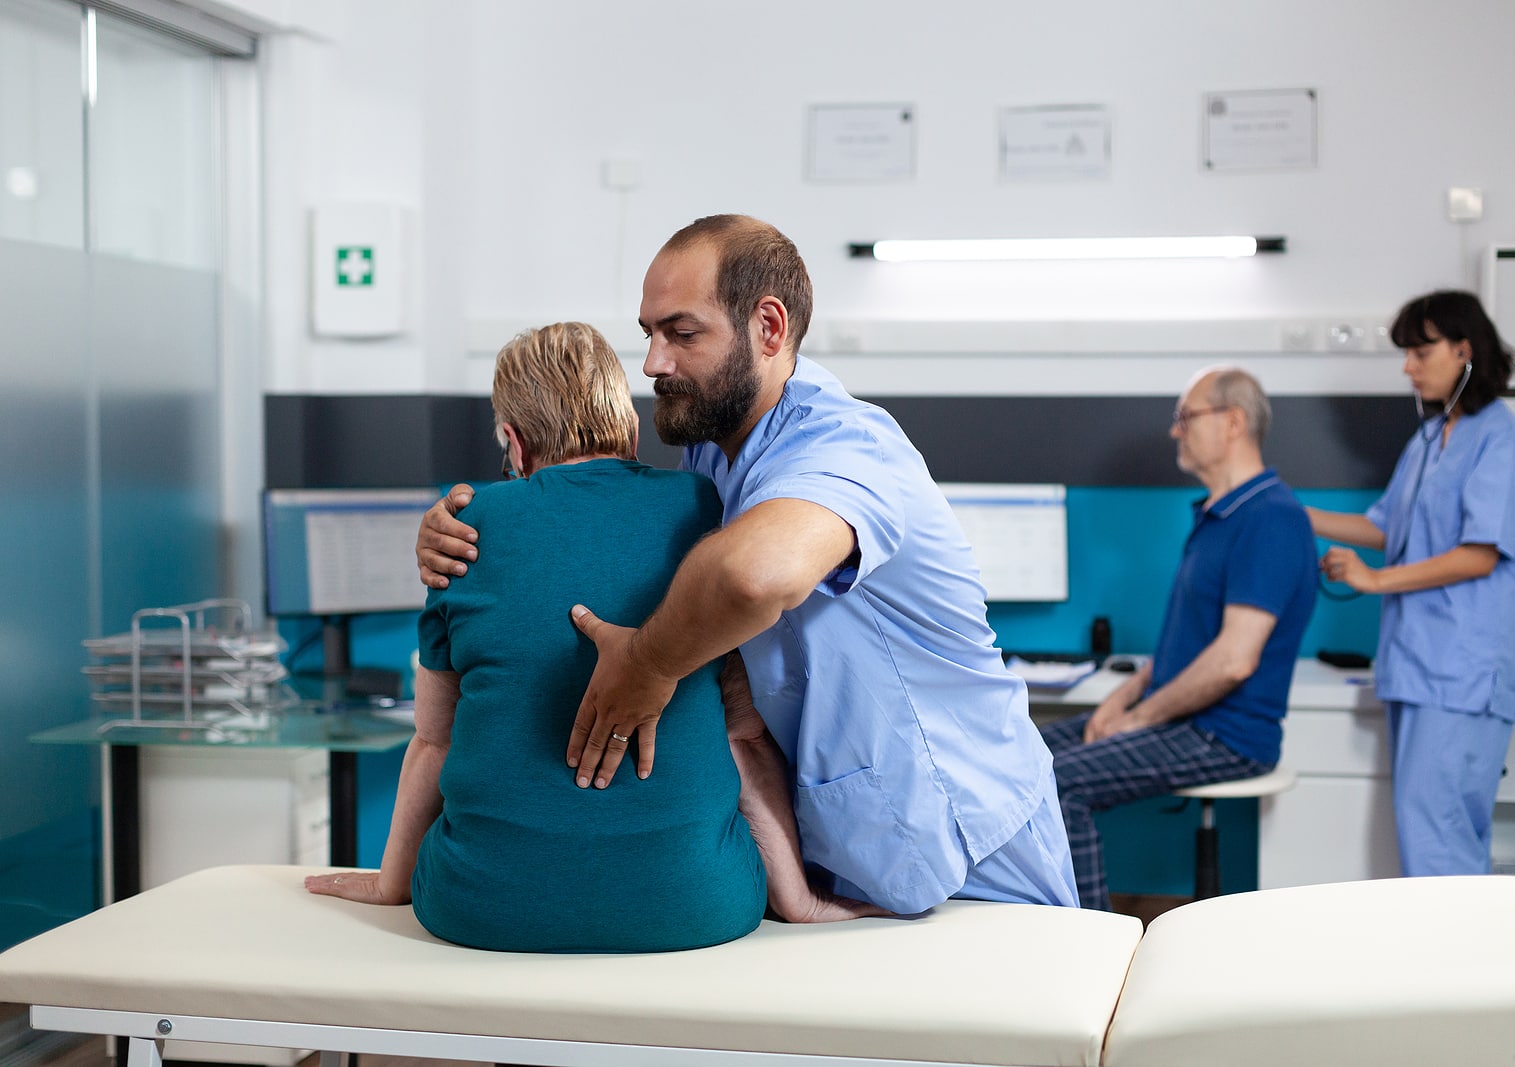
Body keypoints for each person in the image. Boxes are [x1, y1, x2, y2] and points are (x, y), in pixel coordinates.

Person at [417, 215, 1078, 916]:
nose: (653, 363)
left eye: (682, 333)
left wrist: (647, 665)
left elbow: (752, 576)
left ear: (768, 326)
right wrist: (456, 529)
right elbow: (602, 534)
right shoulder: (712, 451)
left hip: (965, 850)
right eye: (648, 334)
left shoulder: (845, 445)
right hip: (845, 850)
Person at [306, 321, 873, 953]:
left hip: (478, 910)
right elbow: (743, 737)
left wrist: (391, 885)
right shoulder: (703, 506)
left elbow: (433, 741)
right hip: (703, 908)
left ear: (515, 445)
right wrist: (795, 899)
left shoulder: (462, 531)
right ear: (630, 430)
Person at [1038, 366, 1317, 911]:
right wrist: (1121, 698)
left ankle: (1094, 948)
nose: (1175, 431)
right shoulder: (1220, 516)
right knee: (1025, 751)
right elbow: (1184, 647)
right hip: (1185, 719)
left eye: (1186, 417)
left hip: (1223, 735)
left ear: (1233, 422)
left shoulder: (1270, 520)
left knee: (1059, 783)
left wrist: (1138, 720)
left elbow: (1233, 661)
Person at [1308, 290, 1515, 877]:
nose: (1407, 367)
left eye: (1420, 351)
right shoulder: (1427, 441)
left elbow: (1479, 555)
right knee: (1428, 828)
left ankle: (1460, 967)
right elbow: (1384, 526)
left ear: (1464, 350)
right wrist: (1287, 510)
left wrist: (1374, 580)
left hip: (1465, 671)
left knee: (1439, 830)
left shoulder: (1502, 442)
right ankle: (1453, 961)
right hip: (1418, 665)